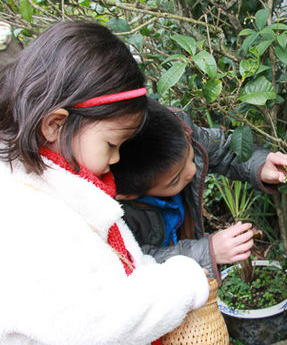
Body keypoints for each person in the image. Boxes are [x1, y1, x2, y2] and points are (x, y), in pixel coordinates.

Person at [0, 21, 209, 345]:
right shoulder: (31, 218)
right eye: (112, 145)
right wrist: (184, 281)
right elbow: (104, 322)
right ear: (55, 125)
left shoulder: (52, 181)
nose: (114, 160)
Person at [112, 97, 287, 283]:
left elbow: (223, 150)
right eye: (175, 180)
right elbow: (134, 263)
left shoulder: (180, 130)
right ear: (128, 194)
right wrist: (208, 251)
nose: (192, 171)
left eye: (190, 157)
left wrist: (261, 165)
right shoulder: (110, 216)